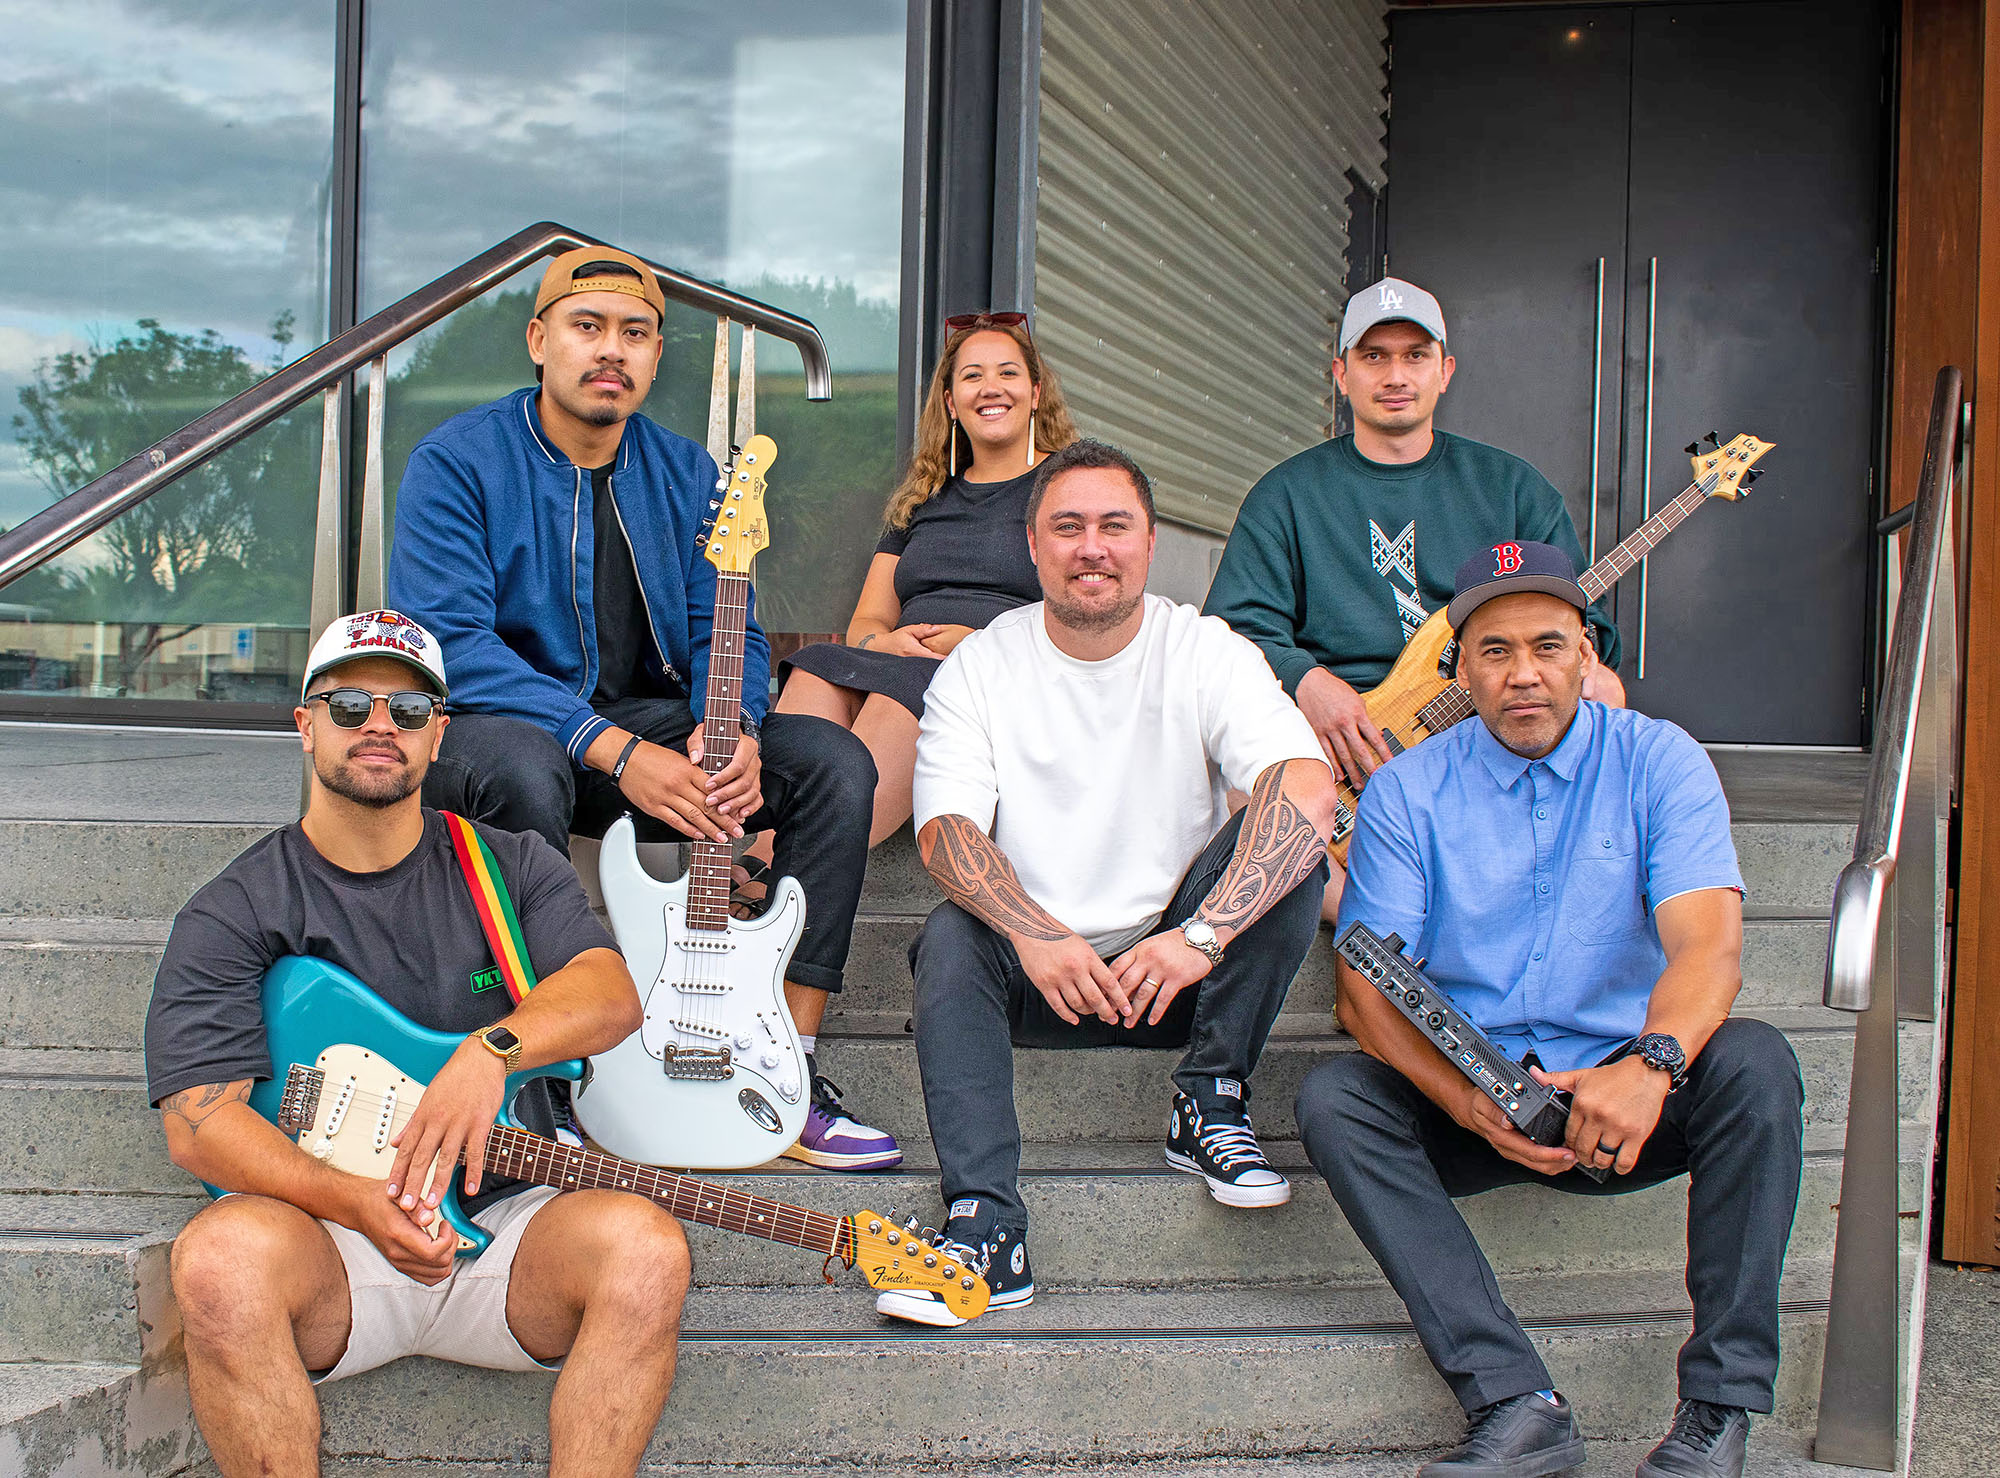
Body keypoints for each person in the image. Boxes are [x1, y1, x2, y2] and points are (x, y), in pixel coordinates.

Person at [1294, 543, 1803, 1478]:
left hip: (1629, 1095)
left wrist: (1650, 1066)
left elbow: (1709, 947)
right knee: (1336, 1098)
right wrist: (1464, 1100)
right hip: (1482, 1091)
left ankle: (1718, 1413)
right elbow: (1365, 992)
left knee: (1758, 1063)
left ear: (1586, 657)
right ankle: (1515, 1404)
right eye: (1495, 651)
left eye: (1547, 646)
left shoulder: (1659, 759)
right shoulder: (1407, 788)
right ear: (1460, 671)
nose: (1523, 673)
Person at [388, 245, 898, 1171]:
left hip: (652, 731)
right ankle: (540, 1071)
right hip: (512, 730)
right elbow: (450, 641)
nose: (610, 351)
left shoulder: (687, 472)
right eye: (586, 328)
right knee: (519, 769)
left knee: (833, 763)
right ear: (539, 340)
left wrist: (736, 729)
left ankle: (787, 1058)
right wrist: (614, 749)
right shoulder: (458, 462)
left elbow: (724, 625)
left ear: (657, 357)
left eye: (634, 334)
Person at [147, 612, 687, 1477]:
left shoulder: (510, 864)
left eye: (406, 710)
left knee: (647, 1248)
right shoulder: (236, 906)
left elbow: (608, 991)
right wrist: (356, 1202)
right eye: (349, 705)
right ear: (305, 725)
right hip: (327, 1242)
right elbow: (198, 1124)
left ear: (439, 736)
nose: (378, 726)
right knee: (216, 1259)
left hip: (503, 1230)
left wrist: (490, 1053)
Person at [881, 438, 1340, 1328]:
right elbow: (945, 833)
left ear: (1150, 543)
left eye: (1114, 526)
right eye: (1068, 527)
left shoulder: (1203, 650)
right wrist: (1036, 934)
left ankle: (1209, 1097)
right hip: (1042, 977)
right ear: (1032, 546)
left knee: (1286, 845)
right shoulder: (983, 665)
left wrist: (1200, 937)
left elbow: (1309, 788)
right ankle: (986, 1227)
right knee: (950, 933)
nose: (1092, 547)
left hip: (1177, 977)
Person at [1204, 276, 1625, 919]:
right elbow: (1231, 631)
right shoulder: (1287, 493)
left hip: (1480, 719)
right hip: (1342, 737)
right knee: (1247, 782)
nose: (1395, 375)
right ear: (1341, 374)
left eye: (1415, 355)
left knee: (1603, 690)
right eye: (1374, 356)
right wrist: (1307, 681)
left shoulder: (1511, 487)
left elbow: (1587, 623)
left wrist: (1572, 657)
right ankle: (1370, 923)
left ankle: (1546, 888)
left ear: (1444, 371)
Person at [761, 311, 1080, 852]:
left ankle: (781, 870)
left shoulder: (1069, 488)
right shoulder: (924, 497)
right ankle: (757, 861)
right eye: (972, 376)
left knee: (911, 688)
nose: (991, 387)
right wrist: (885, 643)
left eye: (1007, 372)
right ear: (951, 402)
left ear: (1035, 392)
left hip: (1005, 671)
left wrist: (979, 644)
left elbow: (1088, 610)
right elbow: (868, 619)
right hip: (907, 659)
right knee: (817, 670)